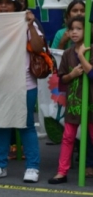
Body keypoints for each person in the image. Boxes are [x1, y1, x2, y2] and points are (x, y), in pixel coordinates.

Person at [0, 0, 42, 183]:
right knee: (2, 124)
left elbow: (36, 47)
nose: (3, 6)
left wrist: (31, 25)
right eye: (0, 3)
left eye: (7, 3)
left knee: (26, 125)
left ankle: (32, 167)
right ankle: (0, 165)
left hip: (24, 83)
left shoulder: (25, 24)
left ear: (15, 5)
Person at [48, 15, 93, 184]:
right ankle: (62, 172)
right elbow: (61, 81)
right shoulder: (67, 54)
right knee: (68, 137)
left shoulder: (91, 50)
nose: (74, 32)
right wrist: (71, 74)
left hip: (90, 103)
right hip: (74, 103)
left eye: (79, 28)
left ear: (87, 30)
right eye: (72, 29)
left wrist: (82, 57)